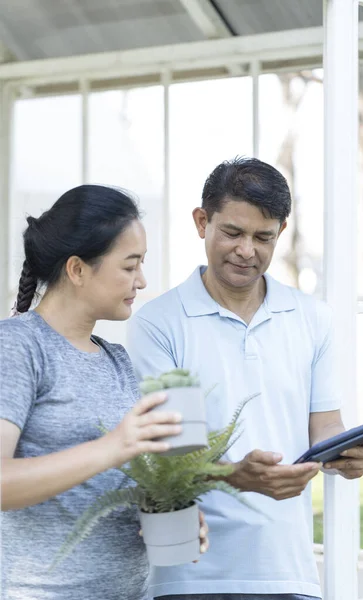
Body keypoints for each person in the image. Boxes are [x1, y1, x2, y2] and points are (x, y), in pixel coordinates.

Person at [129, 158, 363, 600]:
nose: (247, 250)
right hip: (189, 576)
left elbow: (325, 428)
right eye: (233, 233)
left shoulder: (312, 318)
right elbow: (169, 456)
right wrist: (236, 476)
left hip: (288, 571)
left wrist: (350, 454)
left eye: (263, 237)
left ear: (281, 233)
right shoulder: (161, 322)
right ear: (202, 222)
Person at [0, 185, 208, 600]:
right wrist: (112, 447)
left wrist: (170, 508)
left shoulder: (116, 359)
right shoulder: (18, 346)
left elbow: (116, 476)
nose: (142, 280)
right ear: (77, 269)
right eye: (130, 266)